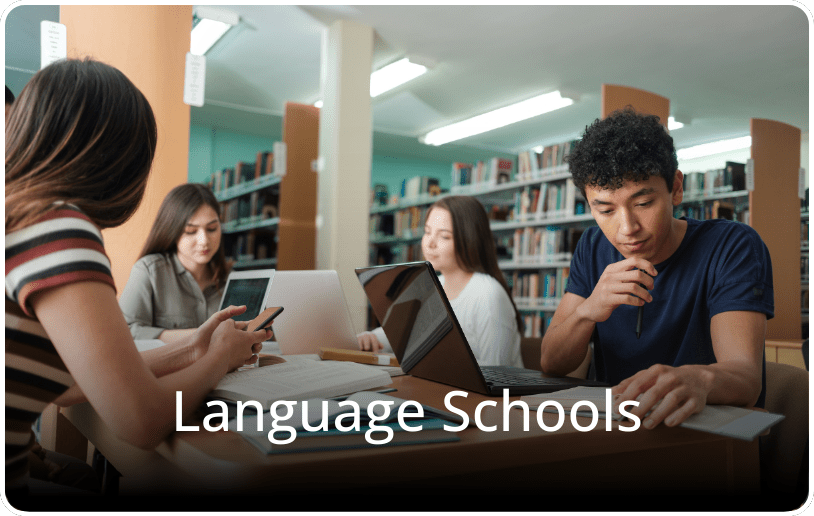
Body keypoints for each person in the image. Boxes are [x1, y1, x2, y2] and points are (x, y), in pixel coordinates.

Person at [5, 58, 269, 502]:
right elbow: (141, 421)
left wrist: (194, 347)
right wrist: (220, 358)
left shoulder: (17, 217)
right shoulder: (56, 229)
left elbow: (71, 385)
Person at [540, 107, 772, 430]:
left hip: (705, 441)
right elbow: (551, 363)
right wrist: (587, 310)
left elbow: (746, 378)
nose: (627, 228)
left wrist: (699, 379)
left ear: (675, 187)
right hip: (613, 434)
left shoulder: (732, 246)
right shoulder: (592, 247)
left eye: (643, 204)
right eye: (605, 210)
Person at [359, 195, 524, 368]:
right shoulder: (426, 285)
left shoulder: (488, 294)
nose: (430, 243)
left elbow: (498, 370)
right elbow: (397, 332)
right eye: (427, 232)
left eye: (444, 236)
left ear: (470, 240)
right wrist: (370, 338)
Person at [119, 183, 228, 342]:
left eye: (211, 228)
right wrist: (200, 336)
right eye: (191, 231)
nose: (204, 241)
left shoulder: (231, 279)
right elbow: (126, 332)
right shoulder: (149, 270)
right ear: (172, 230)